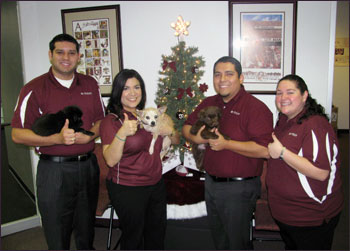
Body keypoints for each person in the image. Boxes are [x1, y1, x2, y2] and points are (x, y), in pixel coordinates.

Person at [11, 33, 105, 250]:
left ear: (79, 57)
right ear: (50, 55)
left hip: (88, 167)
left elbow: (102, 120)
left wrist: (90, 134)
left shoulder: (91, 84)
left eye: (72, 53)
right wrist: (56, 138)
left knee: (86, 229)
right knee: (56, 231)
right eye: (60, 52)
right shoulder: (33, 89)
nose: (66, 57)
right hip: (54, 171)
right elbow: (17, 134)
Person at [182, 56, 273, 249]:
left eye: (229, 74)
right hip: (211, 183)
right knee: (219, 240)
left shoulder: (255, 108)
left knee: (236, 243)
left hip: (239, 189)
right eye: (217, 74)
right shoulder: (209, 102)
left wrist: (227, 144)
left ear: (241, 78)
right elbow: (186, 128)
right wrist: (204, 138)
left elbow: (265, 150)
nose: (222, 79)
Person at [100, 69, 180, 250]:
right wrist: (122, 133)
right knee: (134, 237)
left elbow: (175, 140)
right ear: (118, 92)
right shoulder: (111, 122)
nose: (132, 93)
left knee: (156, 235)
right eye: (126, 88)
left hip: (155, 184)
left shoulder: (150, 115)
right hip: (128, 187)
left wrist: (170, 131)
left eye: (137, 87)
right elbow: (110, 161)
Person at [267, 74, 343, 250]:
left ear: (304, 95)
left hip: (310, 218)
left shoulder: (316, 125)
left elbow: (321, 172)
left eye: (290, 92)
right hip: (287, 215)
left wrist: (282, 153)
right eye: (279, 93)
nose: (283, 98)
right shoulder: (284, 120)